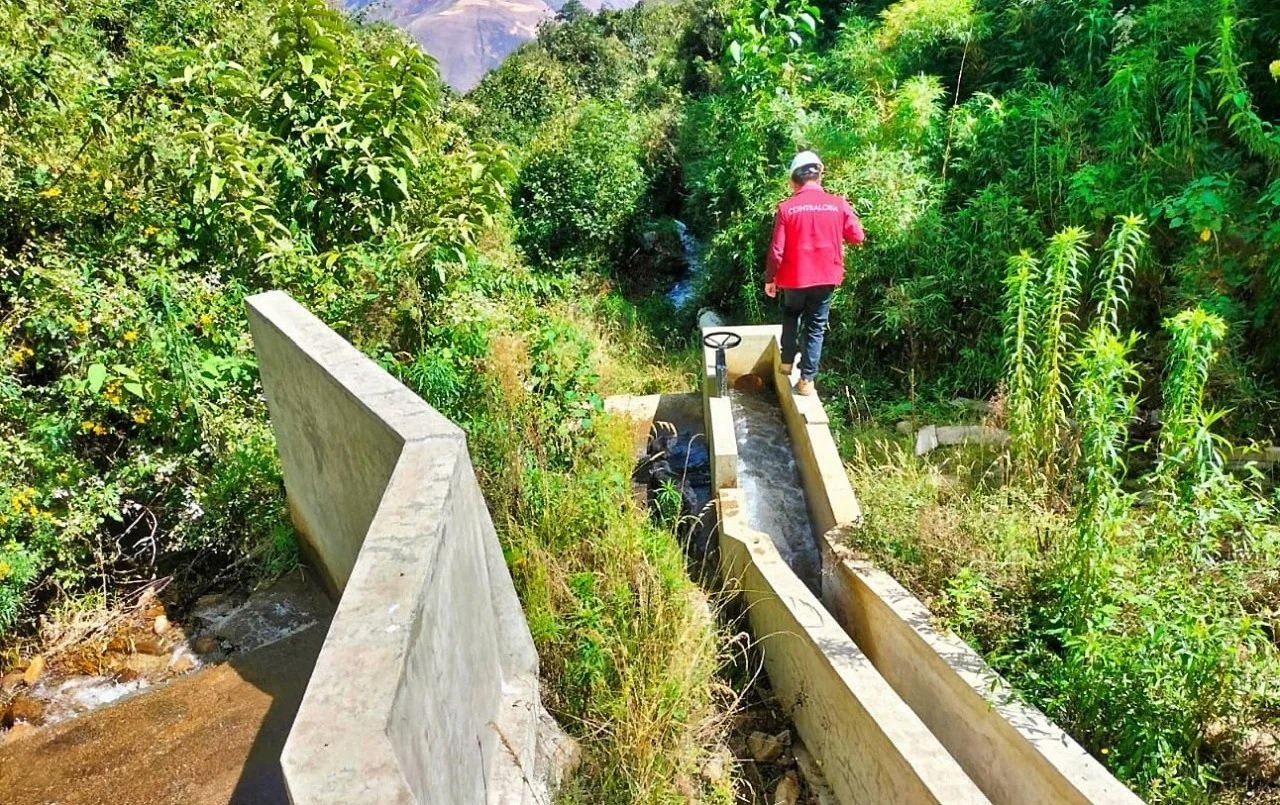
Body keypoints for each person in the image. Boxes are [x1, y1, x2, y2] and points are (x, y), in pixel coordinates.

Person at [764, 151, 865, 396]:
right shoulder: (838, 204)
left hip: (794, 278)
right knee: (815, 327)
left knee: (791, 315)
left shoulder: (786, 208)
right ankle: (807, 380)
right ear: (819, 176)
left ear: (793, 181)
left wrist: (770, 279)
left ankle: (787, 361)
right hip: (825, 277)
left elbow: (777, 251)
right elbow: (857, 236)